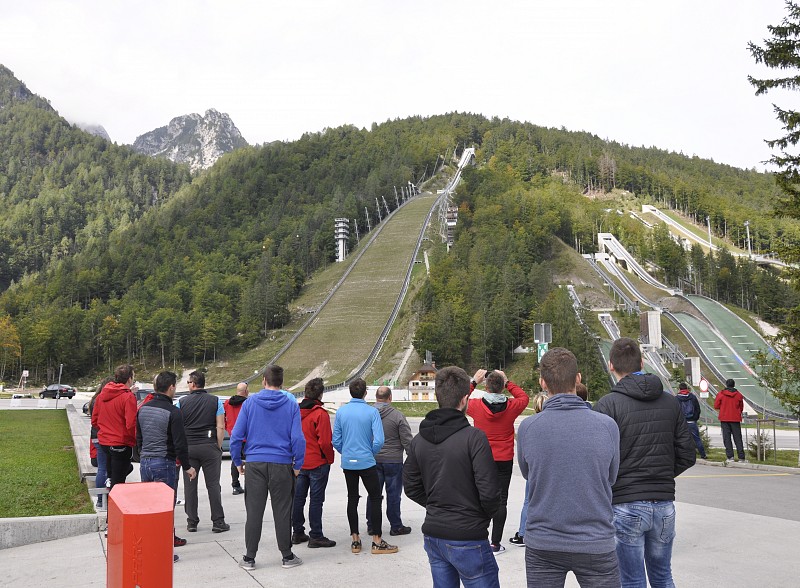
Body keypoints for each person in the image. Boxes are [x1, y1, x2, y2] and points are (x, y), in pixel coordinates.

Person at [594, 337, 696, 588]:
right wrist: (661, 476)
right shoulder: (670, 402)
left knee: (631, 580)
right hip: (664, 503)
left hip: (625, 503)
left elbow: (597, 458)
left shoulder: (607, 405)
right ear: (642, 362)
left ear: (610, 365)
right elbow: (687, 454)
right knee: (663, 576)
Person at [517, 348, 621, 587]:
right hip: (595, 540)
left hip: (543, 542)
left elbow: (528, 474)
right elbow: (611, 476)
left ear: (543, 383)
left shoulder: (528, 428)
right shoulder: (607, 426)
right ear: (578, 378)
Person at [404, 366, 501, 587]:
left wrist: (437, 505)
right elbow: (490, 492)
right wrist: (478, 517)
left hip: (435, 534)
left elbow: (411, 486)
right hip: (467, 535)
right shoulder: (474, 438)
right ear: (465, 399)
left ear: (437, 396)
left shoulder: (419, 440)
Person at [231, 365, 306, 570]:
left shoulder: (250, 403)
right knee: (282, 511)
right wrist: (298, 464)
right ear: (281, 382)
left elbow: (236, 436)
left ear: (264, 380)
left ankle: (249, 557)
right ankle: (287, 556)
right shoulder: (291, 405)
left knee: (254, 511)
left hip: (255, 463)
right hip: (282, 463)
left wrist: (238, 461)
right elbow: (298, 438)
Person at [332, 378, 398, 555]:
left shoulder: (341, 412)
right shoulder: (371, 412)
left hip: (348, 461)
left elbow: (336, 440)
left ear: (350, 392)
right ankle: (376, 540)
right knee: (375, 497)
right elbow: (379, 440)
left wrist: (346, 452)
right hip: (367, 461)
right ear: (365, 393)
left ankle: (355, 539)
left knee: (352, 498)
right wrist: (370, 452)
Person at [468, 368, 529, 554]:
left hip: (482, 458)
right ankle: (495, 543)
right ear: (502, 387)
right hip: (504, 459)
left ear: (486, 387)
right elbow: (524, 398)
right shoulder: (511, 407)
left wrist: (473, 382)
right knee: (501, 501)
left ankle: (479, 539)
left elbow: (459, 400)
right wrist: (507, 380)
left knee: (479, 498)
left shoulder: (476, 406)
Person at [136, 371, 197, 554]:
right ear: (171, 388)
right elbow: (180, 443)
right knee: (164, 510)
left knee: (150, 508)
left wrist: (142, 455)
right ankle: (161, 552)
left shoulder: (143, 408)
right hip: (164, 462)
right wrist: (187, 467)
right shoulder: (173, 412)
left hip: (146, 462)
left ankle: (162, 540)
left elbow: (139, 437)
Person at [178, 370, 229, 533]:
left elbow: (177, 427)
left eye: (188, 382)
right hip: (209, 446)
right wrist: (218, 446)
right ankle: (218, 521)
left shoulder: (181, 402)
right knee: (213, 484)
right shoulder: (215, 401)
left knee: (190, 485)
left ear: (193, 384)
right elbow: (220, 426)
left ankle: (192, 521)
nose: (187, 385)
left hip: (189, 448)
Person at [292, 377, 336, 548]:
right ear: (320, 394)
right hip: (317, 462)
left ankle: (297, 532)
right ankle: (316, 535)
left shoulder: (295, 412)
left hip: (299, 462)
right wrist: (329, 458)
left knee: (298, 499)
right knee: (316, 500)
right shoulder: (320, 414)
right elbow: (325, 442)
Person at [365, 386, 413, 536]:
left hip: (372, 460)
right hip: (393, 460)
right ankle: (395, 525)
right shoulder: (398, 416)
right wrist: (412, 458)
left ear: (375, 397)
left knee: (373, 494)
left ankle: (372, 525)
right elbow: (407, 440)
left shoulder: (367, 415)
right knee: (393, 494)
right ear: (390, 397)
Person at [509, 392, 547, 547]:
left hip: (533, 469)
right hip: (549, 468)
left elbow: (523, 452)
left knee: (528, 501)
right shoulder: (553, 422)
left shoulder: (529, 423)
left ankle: (523, 534)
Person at [91, 365, 137, 488]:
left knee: (112, 475)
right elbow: (131, 423)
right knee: (118, 481)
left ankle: (108, 499)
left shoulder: (102, 396)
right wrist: (133, 441)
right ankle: (113, 504)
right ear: (129, 379)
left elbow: (94, 420)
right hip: (120, 443)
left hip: (105, 442)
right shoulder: (128, 396)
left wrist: (104, 431)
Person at [88, 377, 112, 508]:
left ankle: (100, 499)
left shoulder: (94, 399)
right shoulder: (102, 399)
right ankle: (102, 499)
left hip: (95, 435)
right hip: (102, 435)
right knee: (104, 468)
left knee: (102, 468)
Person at [224, 382, 249, 495]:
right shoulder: (248, 403)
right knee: (250, 461)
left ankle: (235, 485)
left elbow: (223, 417)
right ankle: (249, 484)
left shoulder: (227, 403)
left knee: (235, 460)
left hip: (233, 435)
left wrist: (228, 428)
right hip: (246, 436)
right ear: (246, 391)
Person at [714, 379, 746, 463]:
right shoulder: (738, 395)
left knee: (727, 438)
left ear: (726, 385)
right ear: (734, 385)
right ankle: (741, 457)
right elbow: (741, 407)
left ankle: (730, 457)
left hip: (724, 418)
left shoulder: (721, 394)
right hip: (735, 418)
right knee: (738, 438)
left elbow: (716, 405)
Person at [677, 382, 707, 459]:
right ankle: (703, 455)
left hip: (682, 423)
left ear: (679, 389)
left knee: (681, 440)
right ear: (687, 388)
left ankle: (683, 455)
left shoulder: (676, 398)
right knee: (697, 439)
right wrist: (694, 418)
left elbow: (675, 411)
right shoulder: (692, 397)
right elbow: (698, 409)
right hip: (692, 422)